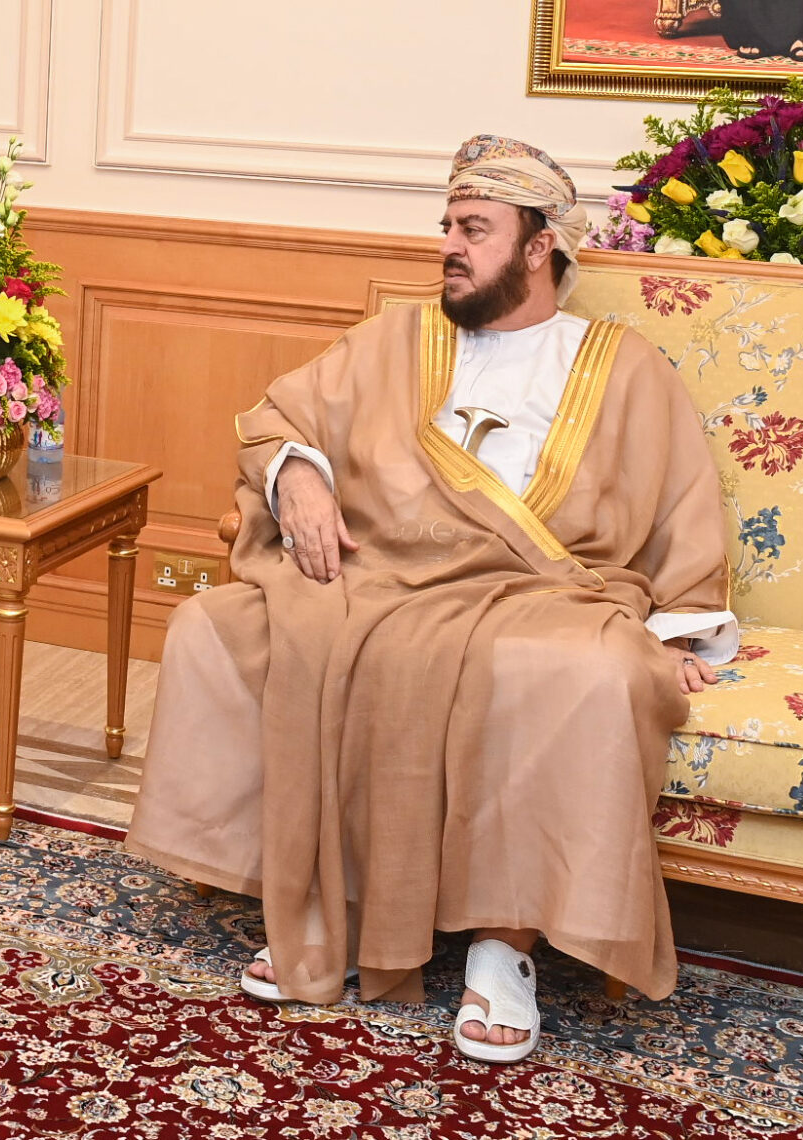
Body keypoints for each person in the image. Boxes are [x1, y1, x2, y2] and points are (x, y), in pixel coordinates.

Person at [124, 135, 738, 1064]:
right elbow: (277, 419)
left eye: (474, 229)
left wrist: (677, 626)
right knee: (216, 624)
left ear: (540, 246)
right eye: (448, 225)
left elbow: (682, 503)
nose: (449, 245)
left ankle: (505, 942)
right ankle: (324, 898)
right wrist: (300, 479)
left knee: (586, 672)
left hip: (541, 590)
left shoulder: (622, 366)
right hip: (380, 571)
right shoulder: (395, 339)